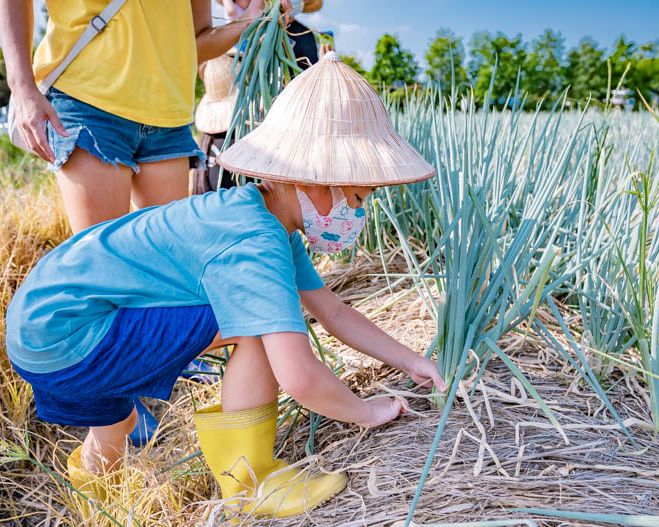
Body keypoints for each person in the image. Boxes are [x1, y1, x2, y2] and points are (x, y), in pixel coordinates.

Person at [5, 53, 445, 521]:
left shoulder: (257, 215)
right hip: (72, 333)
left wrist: (409, 359)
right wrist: (366, 411)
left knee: (116, 426)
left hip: (43, 326)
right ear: (313, 178)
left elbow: (332, 311)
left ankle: (92, 497)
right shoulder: (255, 240)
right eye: (358, 197)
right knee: (257, 324)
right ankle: (252, 481)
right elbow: (296, 375)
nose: (359, 214)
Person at [0, 0, 298, 444]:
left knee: (173, 280)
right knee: (107, 280)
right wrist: (21, 87)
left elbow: (196, 42)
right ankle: (116, 426)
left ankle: (156, 395)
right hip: (87, 100)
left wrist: (249, 24)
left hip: (168, 117)